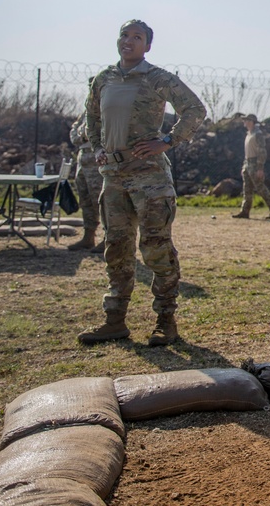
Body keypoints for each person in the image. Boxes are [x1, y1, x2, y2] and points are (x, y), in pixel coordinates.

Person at [77, 19, 206, 347]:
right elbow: (92, 117)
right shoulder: (103, 79)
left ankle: (166, 321)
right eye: (124, 35)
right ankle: (115, 321)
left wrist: (168, 140)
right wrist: (96, 148)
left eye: (137, 37)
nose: (128, 41)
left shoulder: (157, 78)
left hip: (149, 178)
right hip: (113, 178)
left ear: (147, 46)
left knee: (156, 248)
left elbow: (194, 109)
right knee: (116, 248)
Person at [67, 106, 106, 253]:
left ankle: (108, 238)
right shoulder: (87, 110)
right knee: (86, 200)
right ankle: (88, 237)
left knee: (101, 200)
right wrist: (81, 135)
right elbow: (75, 132)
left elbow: (95, 131)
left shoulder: (105, 106)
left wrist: (84, 134)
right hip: (82, 159)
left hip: (97, 159)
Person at [232, 114, 270, 220]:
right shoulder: (249, 134)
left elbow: (262, 152)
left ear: (251, 122)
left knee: (260, 188)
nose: (244, 122)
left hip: (255, 164)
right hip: (248, 163)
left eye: (246, 120)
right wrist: (244, 166)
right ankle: (245, 211)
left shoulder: (258, 134)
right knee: (247, 189)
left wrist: (260, 168)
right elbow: (247, 153)